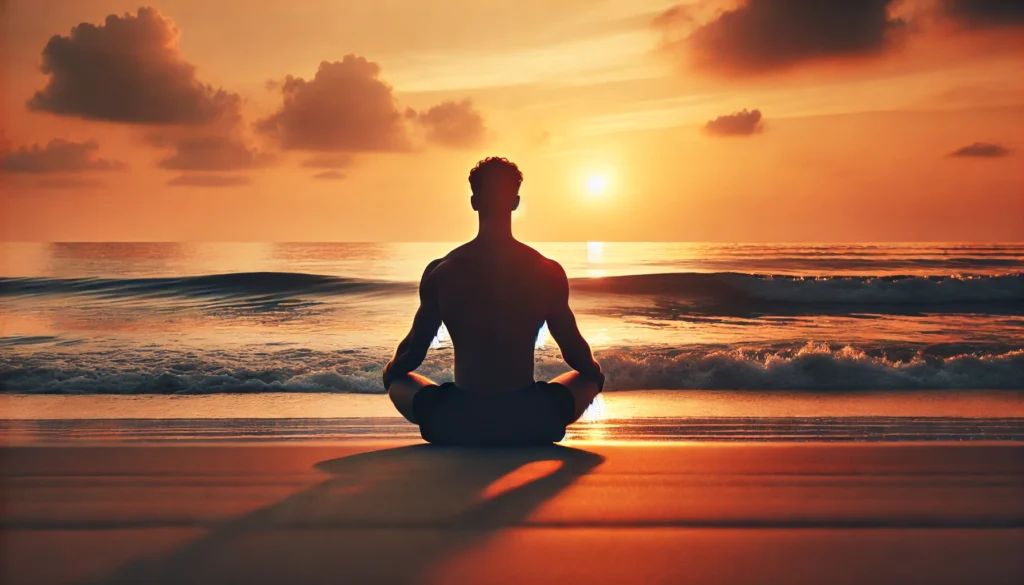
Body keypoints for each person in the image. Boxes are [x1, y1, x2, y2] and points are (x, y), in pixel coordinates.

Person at [382, 156, 605, 445]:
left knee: (396, 380)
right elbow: (575, 352)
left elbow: (412, 353)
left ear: (474, 202)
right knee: (589, 378)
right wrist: (597, 376)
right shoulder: (545, 270)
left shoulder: (442, 270)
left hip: (457, 421)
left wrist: (388, 372)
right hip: (531, 421)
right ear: (515, 202)